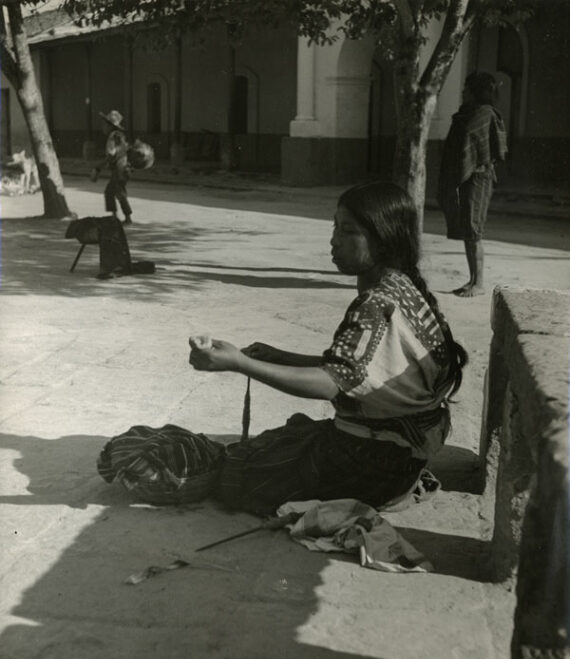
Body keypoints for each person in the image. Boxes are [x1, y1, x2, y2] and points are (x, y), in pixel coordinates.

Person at [189, 182, 468, 517]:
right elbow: (360, 370)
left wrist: (239, 363)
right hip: (402, 458)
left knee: (238, 475)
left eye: (348, 231)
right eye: (335, 227)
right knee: (279, 444)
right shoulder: (402, 286)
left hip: (376, 467)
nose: (334, 240)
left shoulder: (374, 304)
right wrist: (278, 356)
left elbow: (330, 383)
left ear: (384, 237)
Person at [438, 72, 508, 297]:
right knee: (468, 229)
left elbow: (485, 147)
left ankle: (479, 284)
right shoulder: (465, 114)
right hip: (467, 177)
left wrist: (469, 164)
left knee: (474, 230)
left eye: (466, 89)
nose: (463, 92)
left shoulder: (485, 113)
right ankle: (471, 280)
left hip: (479, 177)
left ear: (475, 91)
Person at [90, 110, 133, 225]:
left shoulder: (112, 137)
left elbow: (111, 154)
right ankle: (115, 217)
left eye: (105, 124)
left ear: (110, 126)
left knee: (118, 193)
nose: (102, 127)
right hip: (124, 168)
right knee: (111, 192)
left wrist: (99, 166)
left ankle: (126, 217)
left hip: (119, 169)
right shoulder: (120, 136)